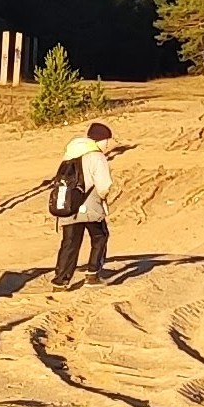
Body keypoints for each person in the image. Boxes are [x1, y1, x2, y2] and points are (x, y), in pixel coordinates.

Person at [50, 121, 116, 290]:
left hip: (68, 205)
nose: (109, 145)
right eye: (108, 141)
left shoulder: (70, 154)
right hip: (90, 205)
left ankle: (60, 281)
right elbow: (104, 185)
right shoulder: (96, 156)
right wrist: (103, 198)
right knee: (100, 236)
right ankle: (92, 274)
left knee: (70, 242)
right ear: (101, 140)